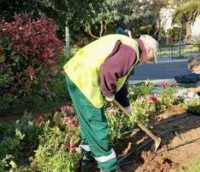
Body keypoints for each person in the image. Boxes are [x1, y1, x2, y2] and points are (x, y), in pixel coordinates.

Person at [64, 34, 159, 172]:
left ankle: (88, 157)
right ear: (149, 50)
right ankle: (109, 168)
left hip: (76, 73)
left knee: (88, 123)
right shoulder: (131, 51)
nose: (147, 62)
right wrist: (108, 93)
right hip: (85, 80)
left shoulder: (130, 46)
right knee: (97, 123)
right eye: (150, 59)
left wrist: (125, 104)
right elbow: (109, 71)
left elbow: (119, 78)